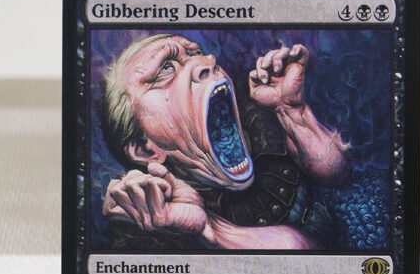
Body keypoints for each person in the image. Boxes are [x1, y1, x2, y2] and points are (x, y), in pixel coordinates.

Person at [101, 33, 351, 249]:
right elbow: (300, 252)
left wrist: (291, 111)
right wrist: (210, 230)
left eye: (197, 53)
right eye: (165, 70)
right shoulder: (153, 219)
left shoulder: (253, 108)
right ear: (145, 150)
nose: (208, 61)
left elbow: (337, 173)